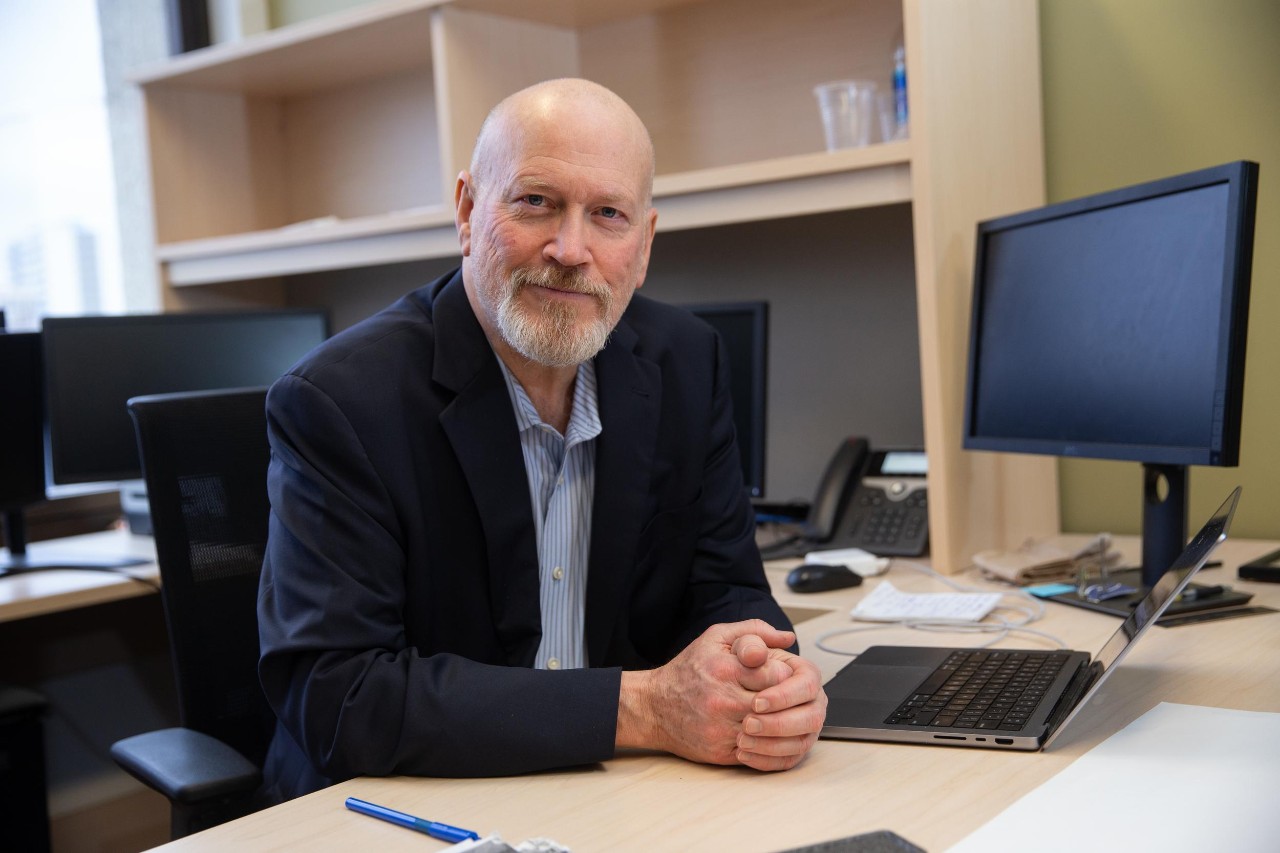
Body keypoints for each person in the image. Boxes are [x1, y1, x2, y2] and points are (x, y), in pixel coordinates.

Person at [256, 78, 827, 803]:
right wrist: (646, 706)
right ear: (467, 211)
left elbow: (727, 587)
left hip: (612, 794)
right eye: (537, 202)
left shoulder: (686, 361)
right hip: (397, 808)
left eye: (608, 214)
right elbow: (340, 695)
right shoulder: (340, 401)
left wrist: (765, 676)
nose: (570, 249)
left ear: (644, 245)